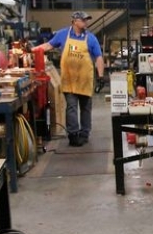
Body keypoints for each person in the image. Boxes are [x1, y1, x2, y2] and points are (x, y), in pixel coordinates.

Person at [33, 11, 105, 146]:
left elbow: (99, 57)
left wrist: (100, 76)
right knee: (71, 107)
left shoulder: (91, 38)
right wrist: (33, 50)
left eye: (86, 20)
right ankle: (73, 134)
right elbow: (48, 45)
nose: (86, 23)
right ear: (74, 21)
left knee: (85, 108)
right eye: (83, 20)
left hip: (85, 80)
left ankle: (84, 133)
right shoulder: (63, 34)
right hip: (69, 79)